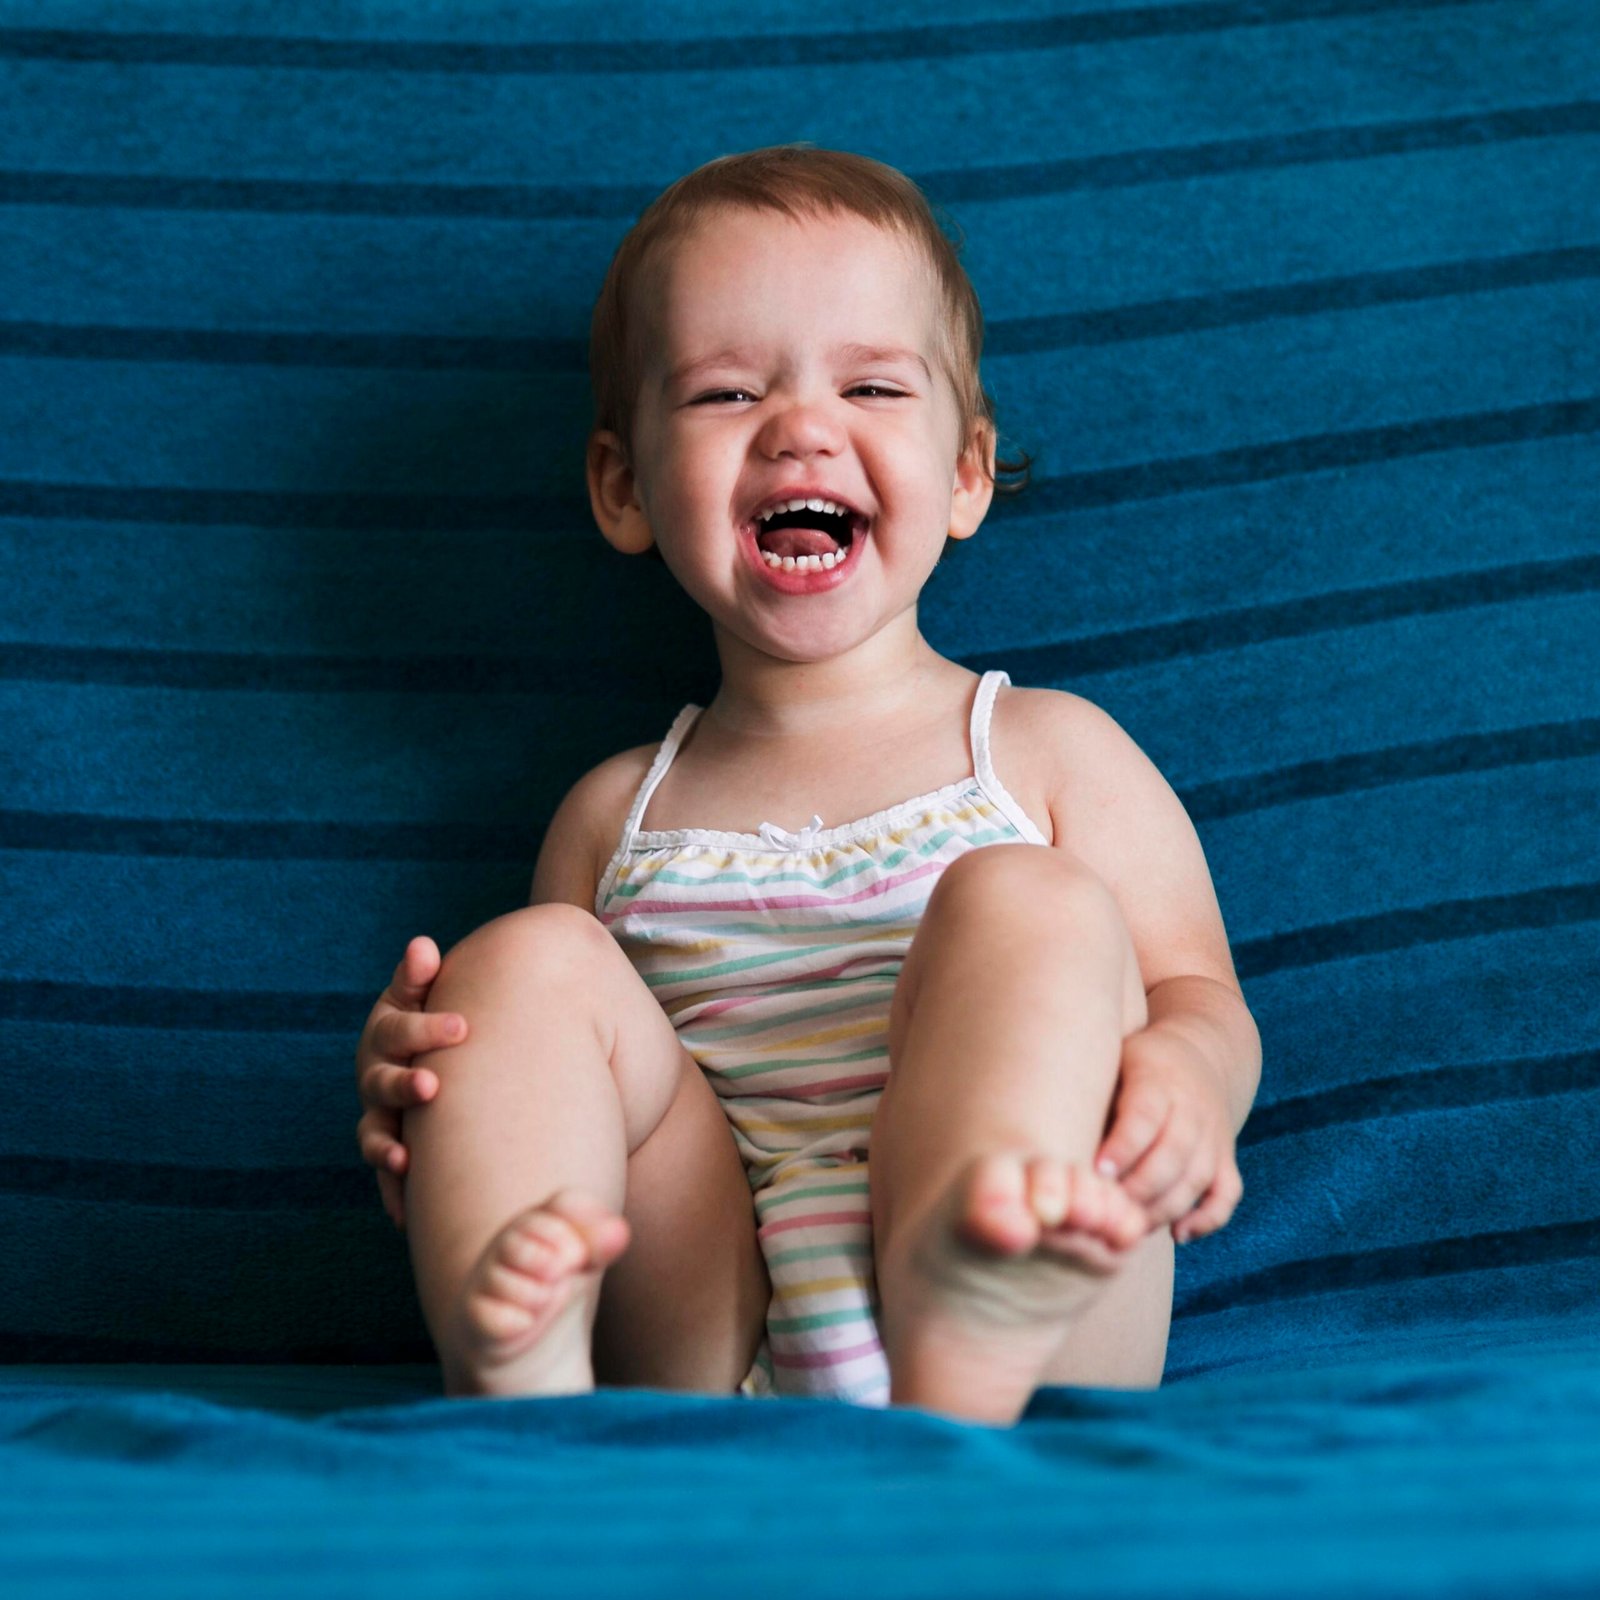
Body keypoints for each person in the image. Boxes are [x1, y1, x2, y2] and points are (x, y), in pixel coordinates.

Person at [352, 143, 1261, 1428]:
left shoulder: (1049, 750)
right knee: (522, 964)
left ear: (964, 474)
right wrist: (438, 1082)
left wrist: (1186, 1077)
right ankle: (522, 1349)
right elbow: (571, 1075)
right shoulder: (618, 811)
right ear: (623, 486)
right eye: (726, 394)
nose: (799, 426)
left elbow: (1201, 996)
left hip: (1026, 1311)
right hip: (696, 1334)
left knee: (1029, 902)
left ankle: (969, 1295)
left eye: (874, 384)